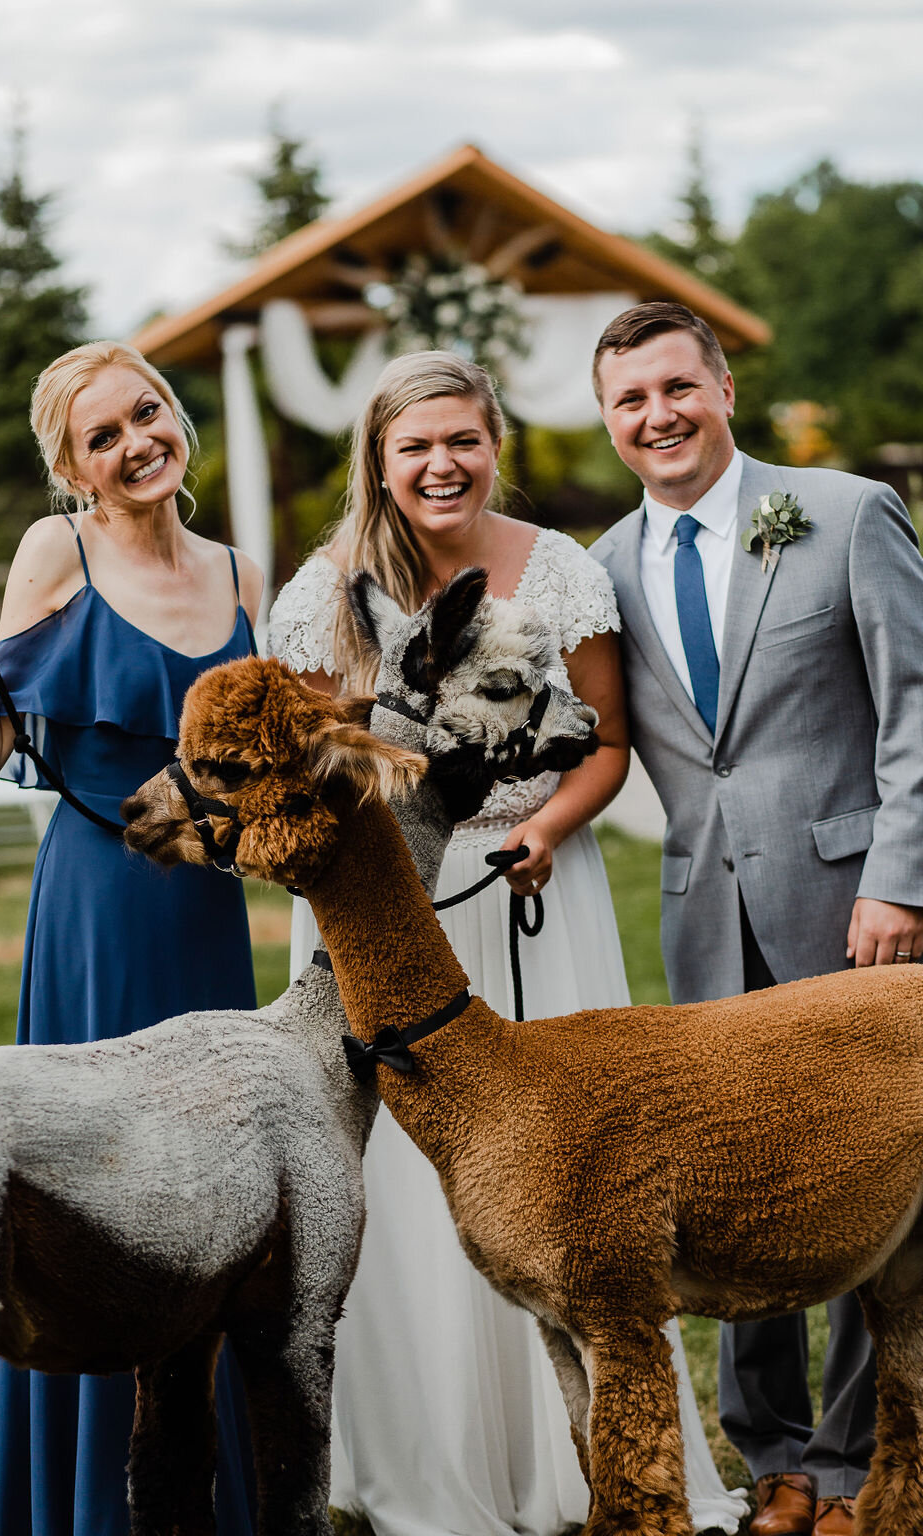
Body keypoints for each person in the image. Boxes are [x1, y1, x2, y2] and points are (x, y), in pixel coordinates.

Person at [267, 349, 750, 1536]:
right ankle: (423, 1455)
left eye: (461, 441)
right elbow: (310, 769)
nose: (442, 465)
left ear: (495, 445)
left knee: (565, 1169)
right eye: (414, 447)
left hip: (536, 881)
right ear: (377, 463)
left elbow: (603, 741)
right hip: (388, 909)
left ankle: (577, 1452)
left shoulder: (561, 571)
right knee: (398, 1170)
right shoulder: (324, 591)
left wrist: (536, 825)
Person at [0, 340, 263, 1536]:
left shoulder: (243, 573)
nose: (135, 443)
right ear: (74, 468)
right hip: (95, 915)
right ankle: (83, 1502)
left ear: (176, 418)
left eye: (145, 413)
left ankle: (211, 1491)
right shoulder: (62, 551)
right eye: (102, 436)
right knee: (98, 1204)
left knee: (215, 1201)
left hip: (209, 917)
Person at [589, 300, 923, 1536]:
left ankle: (848, 1470)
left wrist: (900, 878)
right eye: (629, 401)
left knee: (851, 1183)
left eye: (676, 388)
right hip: (702, 919)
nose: (657, 417)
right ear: (608, 421)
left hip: (856, 909)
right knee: (734, 1194)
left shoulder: (842, 512)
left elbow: (914, 706)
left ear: (723, 388)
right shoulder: (608, 567)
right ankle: (770, 1460)